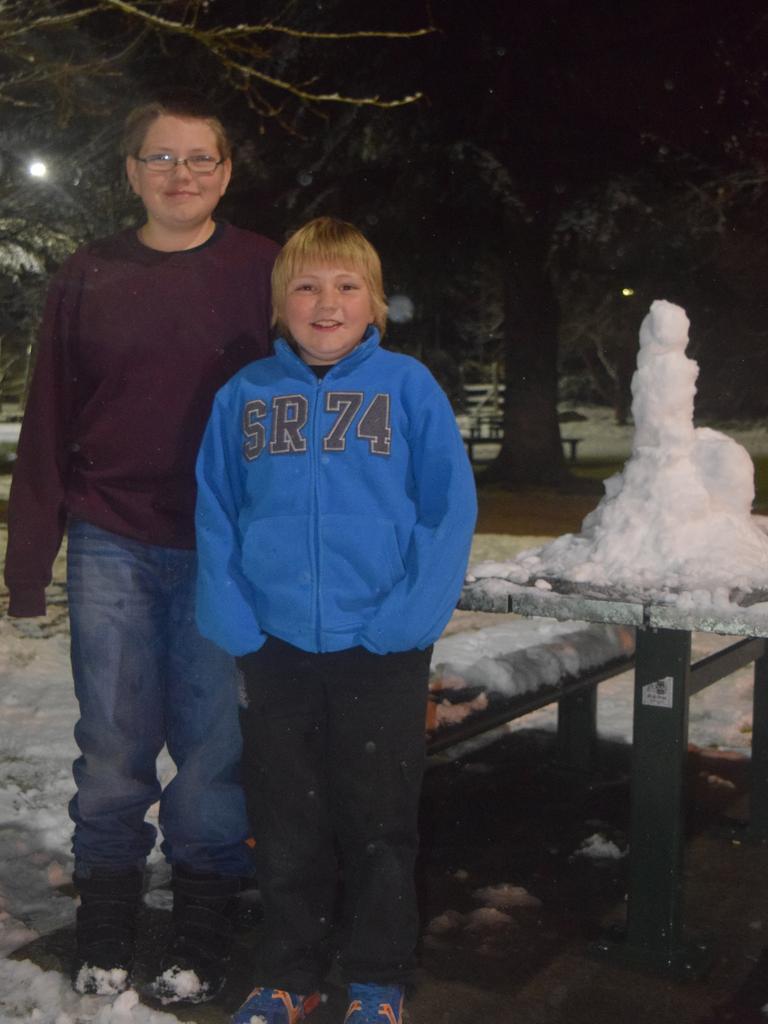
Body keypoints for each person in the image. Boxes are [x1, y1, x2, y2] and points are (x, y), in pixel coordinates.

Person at [3, 93, 279, 1002]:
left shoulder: (265, 271)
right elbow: (47, 416)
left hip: (221, 543)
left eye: (200, 159)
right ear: (131, 173)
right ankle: (109, 914)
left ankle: (203, 919)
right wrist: (28, 557)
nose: (181, 176)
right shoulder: (89, 274)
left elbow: (308, 396)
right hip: (111, 539)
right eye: (161, 159)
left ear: (227, 172)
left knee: (211, 743)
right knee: (115, 742)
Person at [195, 216, 478, 1024]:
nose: (327, 302)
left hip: (379, 646)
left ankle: (379, 977)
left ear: (375, 302)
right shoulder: (245, 395)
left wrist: (407, 619)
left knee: (379, 819)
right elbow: (215, 508)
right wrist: (236, 617)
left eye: (346, 286)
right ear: (280, 303)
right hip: (274, 645)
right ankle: (289, 972)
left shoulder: (408, 388)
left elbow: (447, 510)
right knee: (286, 818)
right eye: (307, 286)